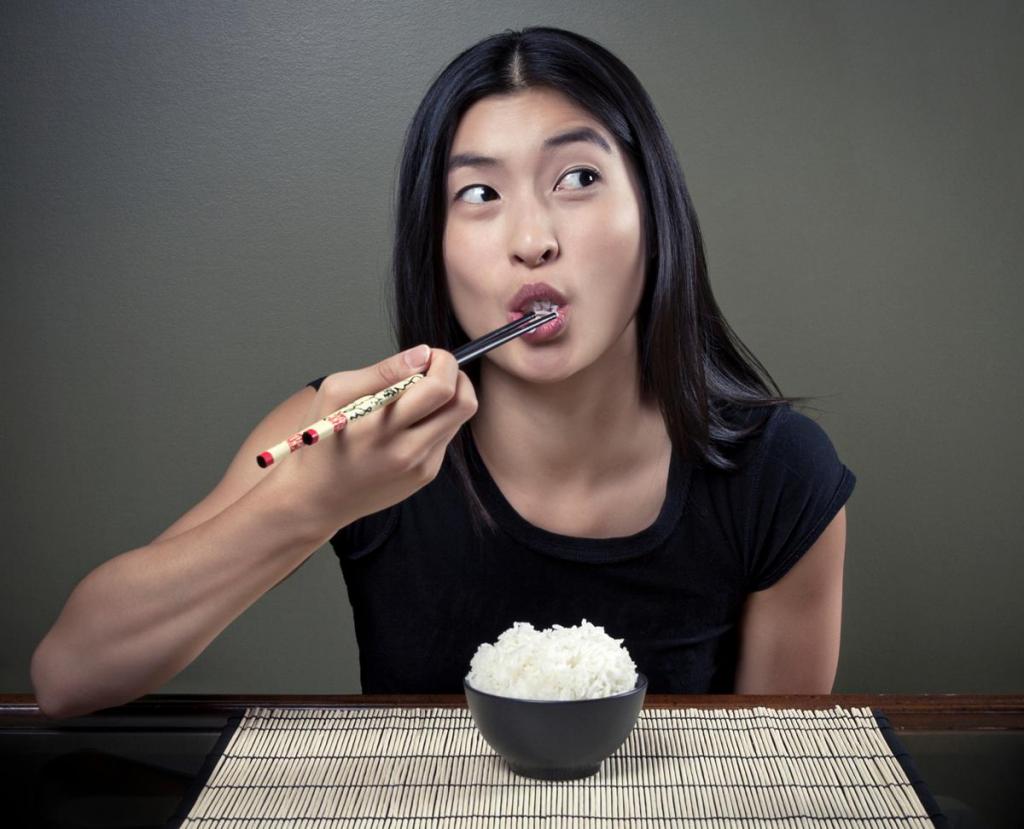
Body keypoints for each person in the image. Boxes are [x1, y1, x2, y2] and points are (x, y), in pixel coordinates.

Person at [31, 26, 855, 718]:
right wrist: (314, 498)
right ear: (435, 243)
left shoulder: (780, 475)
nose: (532, 238)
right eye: (479, 194)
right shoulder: (355, 428)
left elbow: (771, 770)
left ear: (655, 212)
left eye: (578, 178)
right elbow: (68, 676)